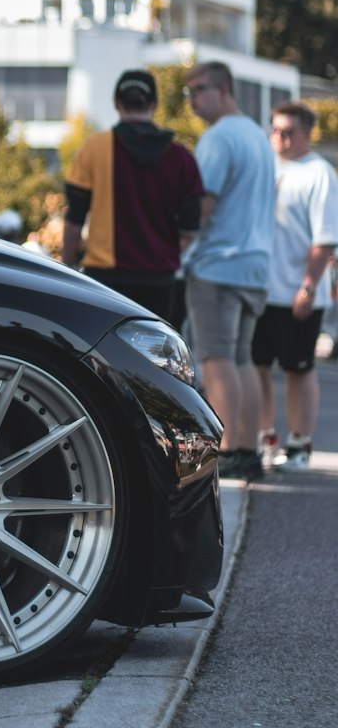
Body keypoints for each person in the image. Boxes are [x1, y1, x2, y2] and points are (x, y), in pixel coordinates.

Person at [183, 61, 276, 481]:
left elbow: (204, 204)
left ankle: (225, 450)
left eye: (198, 90)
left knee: (216, 359)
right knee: (242, 360)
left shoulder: (219, 138)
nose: (192, 99)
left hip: (219, 262)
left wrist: (180, 243)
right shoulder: (258, 135)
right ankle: (248, 449)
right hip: (255, 264)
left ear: (222, 89)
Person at [62, 69, 203, 322]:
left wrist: (67, 269)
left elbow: (74, 221)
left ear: (117, 103)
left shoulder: (94, 147)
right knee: (155, 357)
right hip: (160, 280)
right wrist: (161, 254)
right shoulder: (181, 157)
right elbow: (191, 229)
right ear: (154, 104)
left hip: (105, 279)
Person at [253, 101, 338, 471]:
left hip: (299, 294)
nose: (280, 137)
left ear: (306, 134)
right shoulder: (263, 166)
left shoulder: (320, 174)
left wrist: (308, 286)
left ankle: (300, 446)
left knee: (298, 369)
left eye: (288, 132)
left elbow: (325, 239)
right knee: (256, 366)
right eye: (275, 130)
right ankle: (265, 437)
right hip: (259, 290)